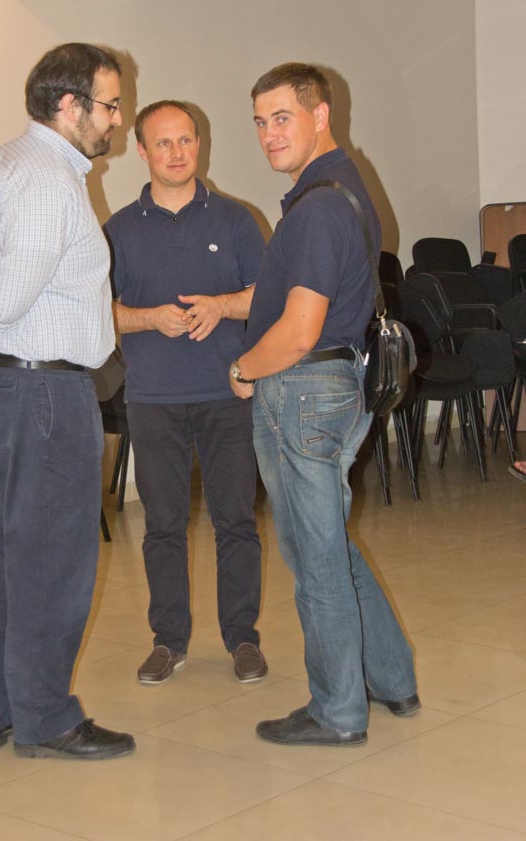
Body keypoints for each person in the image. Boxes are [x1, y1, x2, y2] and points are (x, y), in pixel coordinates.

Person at [0, 43, 135, 761]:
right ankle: (44, 720)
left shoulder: (6, 162)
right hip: (40, 388)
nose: (117, 118)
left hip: (2, 384)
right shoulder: (48, 180)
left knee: (20, 551)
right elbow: (6, 295)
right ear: (69, 106)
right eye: (109, 104)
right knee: (54, 560)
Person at [229, 63, 418, 746]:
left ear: (320, 115)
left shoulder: (315, 208)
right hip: (336, 386)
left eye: (282, 117)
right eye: (260, 122)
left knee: (316, 562)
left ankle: (337, 712)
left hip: (301, 392)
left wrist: (243, 368)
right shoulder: (344, 187)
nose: (269, 135)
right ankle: (391, 678)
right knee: (328, 544)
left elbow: (299, 328)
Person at [104, 100, 268, 684]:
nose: (177, 153)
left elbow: (267, 297)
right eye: (163, 143)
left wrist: (222, 306)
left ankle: (242, 638)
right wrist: (149, 318)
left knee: (236, 522)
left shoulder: (236, 220)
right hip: (153, 399)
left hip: (228, 395)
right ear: (141, 151)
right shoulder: (118, 231)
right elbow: (99, 313)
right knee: (163, 527)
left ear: (200, 145)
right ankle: (168, 640)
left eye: (186, 141)